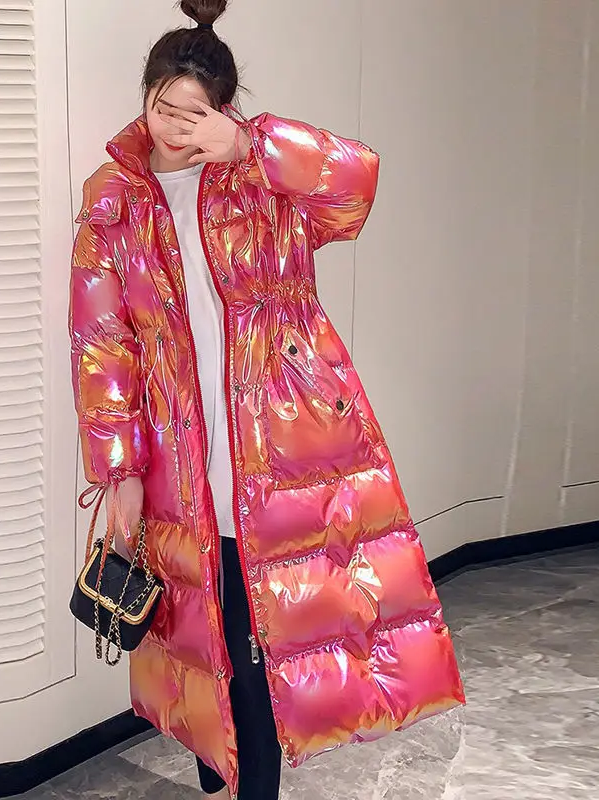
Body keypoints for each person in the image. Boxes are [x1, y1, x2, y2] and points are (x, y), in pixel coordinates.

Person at [68, 1, 466, 797]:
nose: (176, 127)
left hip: (281, 433)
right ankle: (216, 765)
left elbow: (356, 184)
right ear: (144, 98)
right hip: (178, 442)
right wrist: (120, 468)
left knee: (259, 626)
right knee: (199, 622)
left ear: (223, 110)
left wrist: (255, 145)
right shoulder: (114, 195)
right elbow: (102, 341)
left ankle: (253, 784)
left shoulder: (265, 176)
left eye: (196, 113)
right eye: (163, 106)